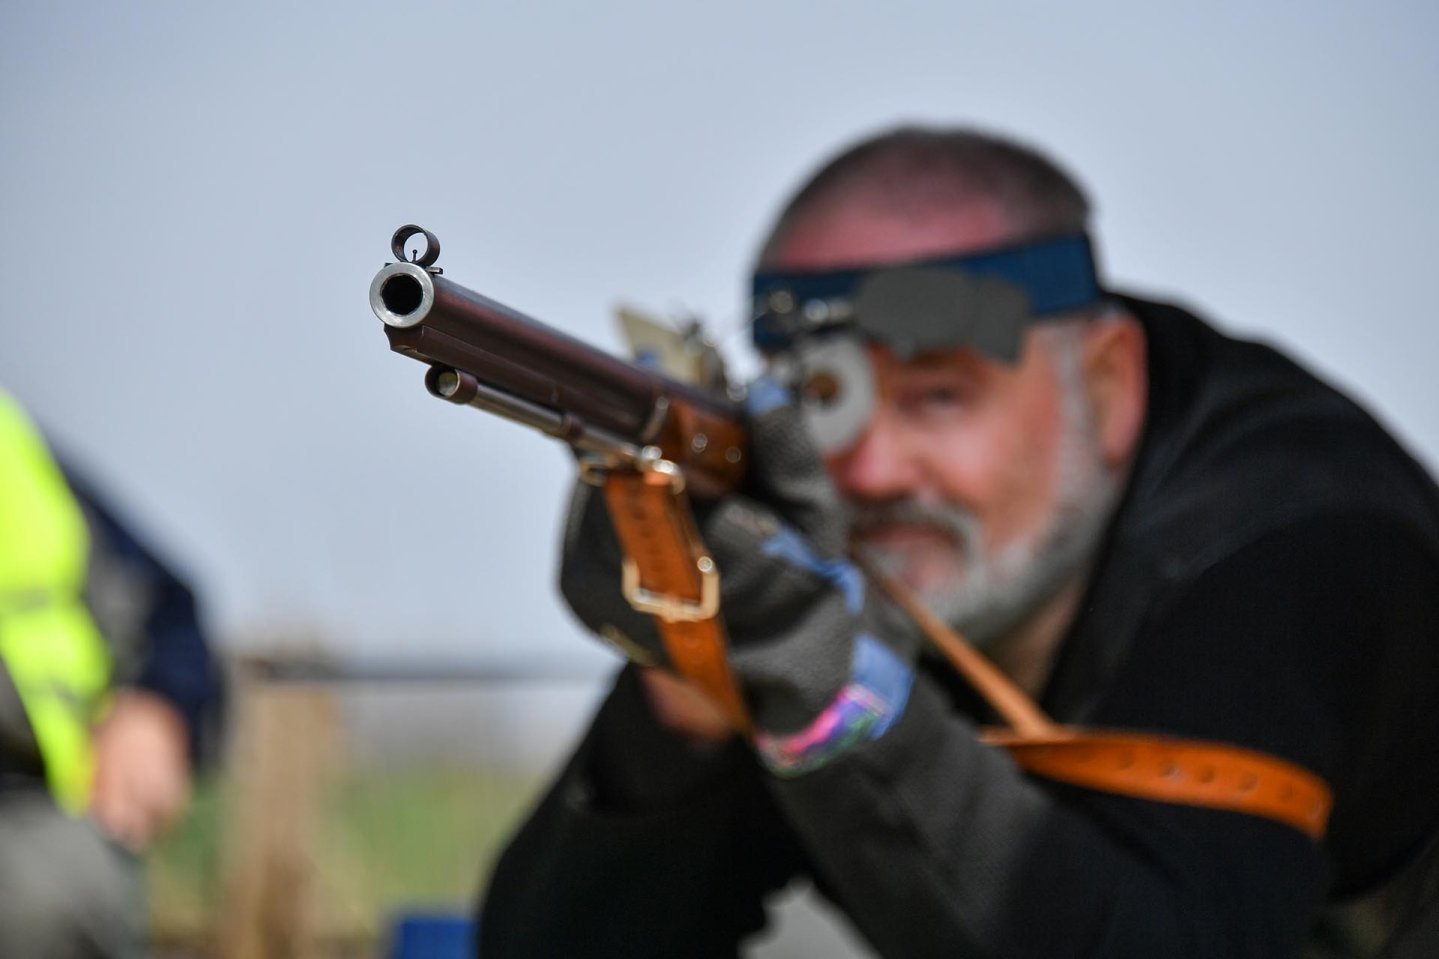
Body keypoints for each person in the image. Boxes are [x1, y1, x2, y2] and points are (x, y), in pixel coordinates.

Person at [476, 127, 1439, 957]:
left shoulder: (1299, 538)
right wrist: (688, 683)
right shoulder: (824, 549)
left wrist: (831, 696)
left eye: (940, 395)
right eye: (824, 401)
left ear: (1105, 389)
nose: (871, 471)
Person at [0, 387, 224, 957]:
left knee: (46, 895)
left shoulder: (14, 449)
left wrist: (157, 708)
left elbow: (169, 607)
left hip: (38, 813)